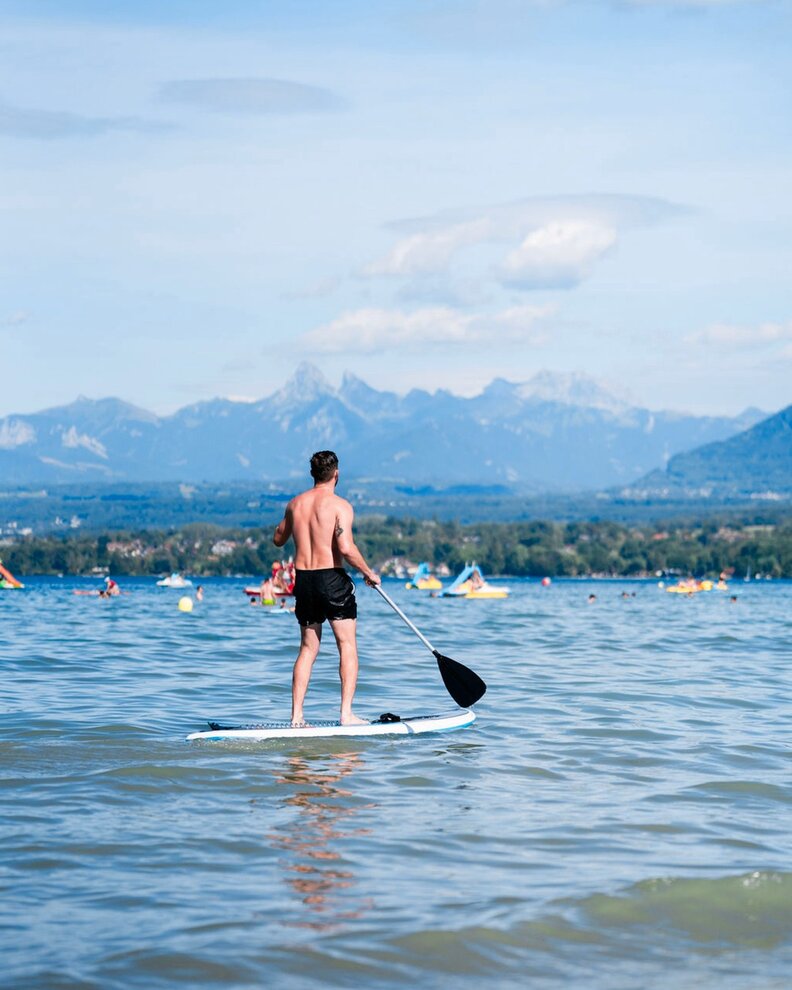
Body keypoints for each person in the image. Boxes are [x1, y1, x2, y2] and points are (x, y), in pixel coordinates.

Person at [273, 450, 380, 726]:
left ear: (313, 474)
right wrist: (369, 573)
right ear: (336, 474)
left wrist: (293, 519)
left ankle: (296, 717)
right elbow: (345, 547)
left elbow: (278, 539)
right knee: (347, 645)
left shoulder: (295, 504)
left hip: (304, 580)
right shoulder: (340, 505)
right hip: (331, 578)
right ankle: (346, 715)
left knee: (308, 649)